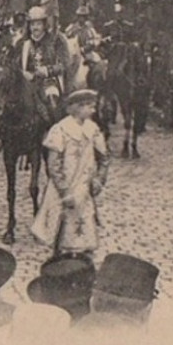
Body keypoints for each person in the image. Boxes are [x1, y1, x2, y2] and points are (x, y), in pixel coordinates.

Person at [31, 89, 110, 257]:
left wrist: (99, 180)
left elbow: (104, 158)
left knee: (85, 228)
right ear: (77, 107)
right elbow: (54, 164)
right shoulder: (60, 129)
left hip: (84, 189)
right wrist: (64, 189)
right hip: (64, 189)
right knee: (61, 229)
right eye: (90, 106)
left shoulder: (93, 129)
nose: (93, 111)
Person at [18, 5, 71, 120]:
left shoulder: (56, 40)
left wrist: (48, 70)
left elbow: (65, 64)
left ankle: (54, 128)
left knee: (52, 101)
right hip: (28, 82)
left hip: (49, 81)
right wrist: (23, 72)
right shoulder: (23, 43)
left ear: (44, 24)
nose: (35, 27)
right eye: (32, 24)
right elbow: (16, 64)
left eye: (38, 24)